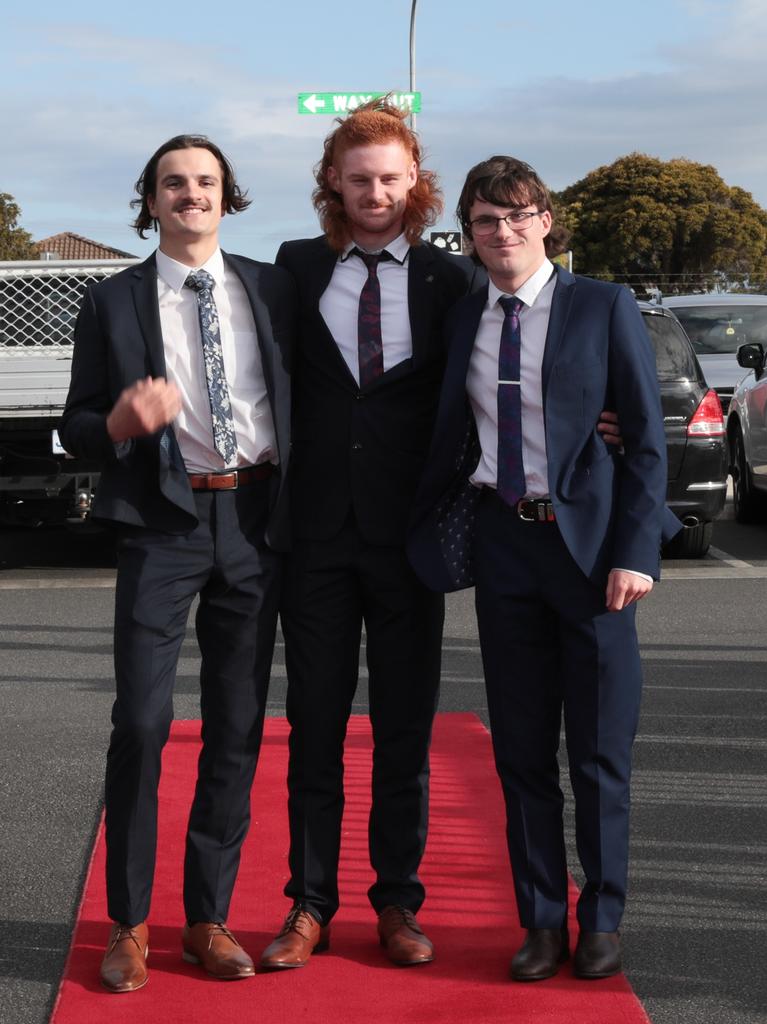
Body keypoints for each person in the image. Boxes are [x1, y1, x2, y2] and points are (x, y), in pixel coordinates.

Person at [408, 156, 679, 982]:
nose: (503, 232)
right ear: (471, 233)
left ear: (546, 220)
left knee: (598, 752)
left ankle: (603, 915)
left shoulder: (602, 305)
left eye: (518, 215)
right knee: (520, 753)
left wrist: (637, 551)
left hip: (593, 556)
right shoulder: (464, 315)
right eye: (486, 220)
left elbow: (646, 436)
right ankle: (541, 922)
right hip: (505, 548)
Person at [59, 135, 294, 992]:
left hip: (258, 519)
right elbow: (75, 421)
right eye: (173, 183)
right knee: (144, 724)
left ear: (227, 196)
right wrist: (117, 424)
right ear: (150, 199)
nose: (191, 194)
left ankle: (207, 919)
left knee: (235, 725)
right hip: (163, 523)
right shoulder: (113, 300)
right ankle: (128, 924)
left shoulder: (271, 286)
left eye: (206, 181)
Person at [258, 101, 479, 970]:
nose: (376, 192)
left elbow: (498, 384)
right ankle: (308, 905)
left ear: (415, 183)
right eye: (359, 179)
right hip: (314, 539)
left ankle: (397, 903)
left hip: (408, 542)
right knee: (313, 729)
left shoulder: (450, 281)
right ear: (333, 185)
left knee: (403, 734)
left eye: (391, 178)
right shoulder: (293, 268)